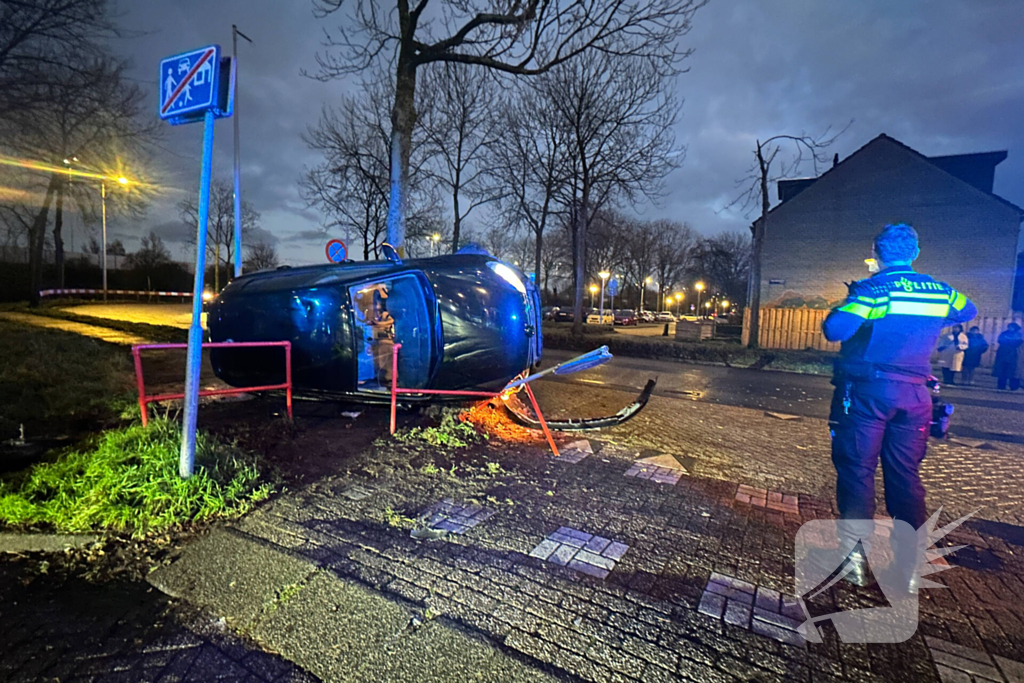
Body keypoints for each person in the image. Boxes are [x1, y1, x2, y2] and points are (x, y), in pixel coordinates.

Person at [821, 223, 976, 592]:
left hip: (868, 393)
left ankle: (855, 561)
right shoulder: (940, 291)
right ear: (916, 253)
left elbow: (837, 330)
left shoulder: (875, 290)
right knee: (905, 475)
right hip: (917, 396)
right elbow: (967, 308)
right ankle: (908, 567)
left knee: (858, 471)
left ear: (876, 253)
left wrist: (845, 306)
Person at [993, 322, 1023, 391]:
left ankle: (1013, 386)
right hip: (1003, 356)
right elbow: (1000, 340)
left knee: (1013, 372)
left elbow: (1018, 343)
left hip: (1014, 356)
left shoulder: (1018, 335)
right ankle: (1001, 386)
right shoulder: (1004, 333)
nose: (1010, 328)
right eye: (1009, 327)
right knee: (1002, 371)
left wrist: (1009, 342)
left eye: (1012, 327)